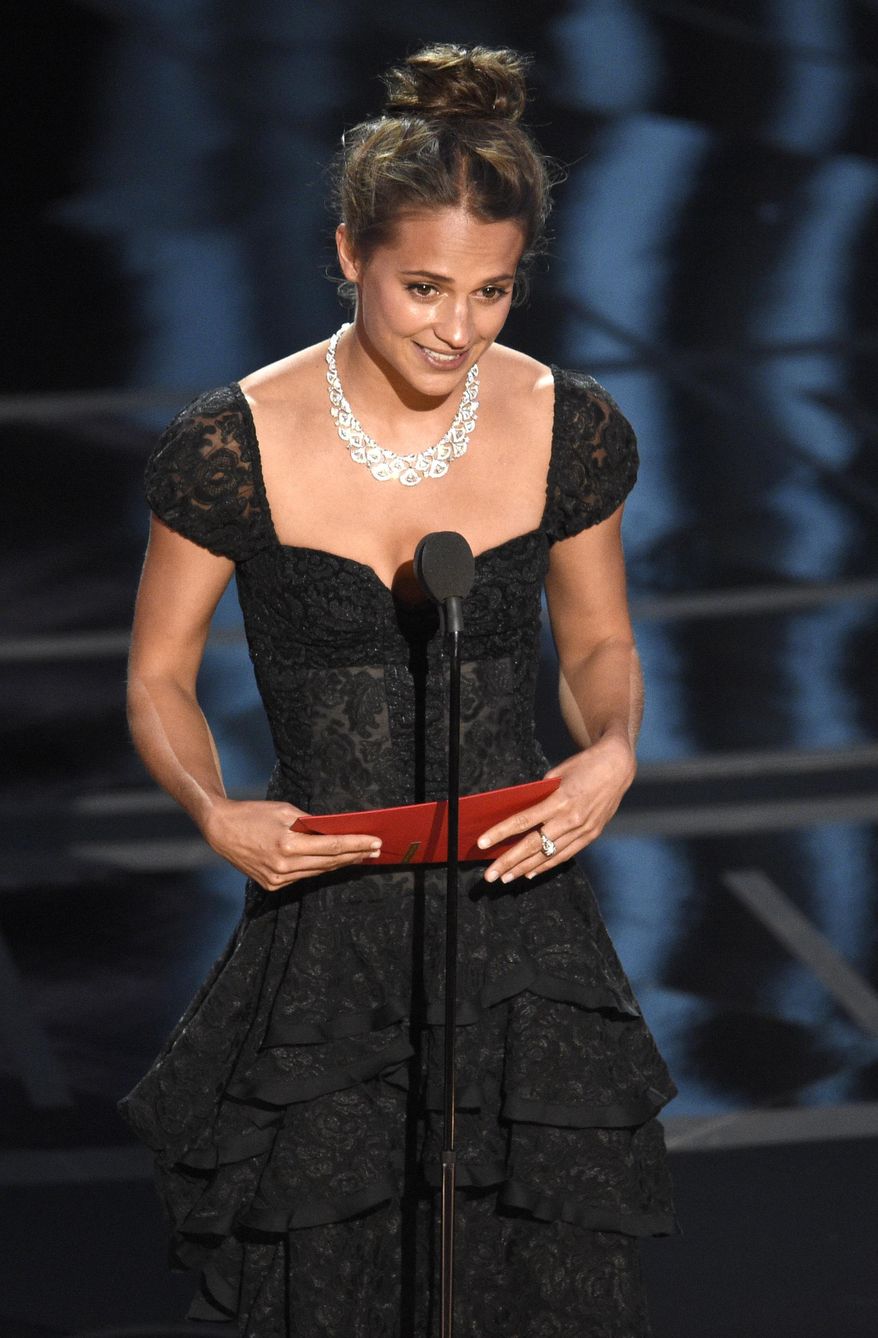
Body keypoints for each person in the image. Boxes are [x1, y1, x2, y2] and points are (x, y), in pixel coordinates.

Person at [119, 42, 677, 1338]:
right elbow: (157, 673)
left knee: (531, 1269)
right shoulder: (233, 444)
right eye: (423, 287)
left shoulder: (567, 425)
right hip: (330, 919)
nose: (456, 329)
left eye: (491, 292)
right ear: (348, 255)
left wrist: (611, 749)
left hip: (519, 908)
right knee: (337, 1273)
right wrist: (214, 809)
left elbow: (599, 642)